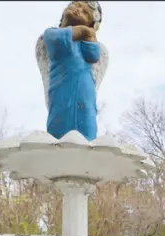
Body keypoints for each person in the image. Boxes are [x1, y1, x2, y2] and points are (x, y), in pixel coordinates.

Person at [42, 1, 102, 140]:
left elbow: (94, 55)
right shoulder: (51, 33)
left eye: (85, 12)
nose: (78, 9)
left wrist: (88, 34)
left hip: (85, 98)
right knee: (59, 136)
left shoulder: (83, 44)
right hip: (62, 93)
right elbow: (56, 41)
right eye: (77, 4)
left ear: (91, 24)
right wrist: (85, 31)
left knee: (87, 137)